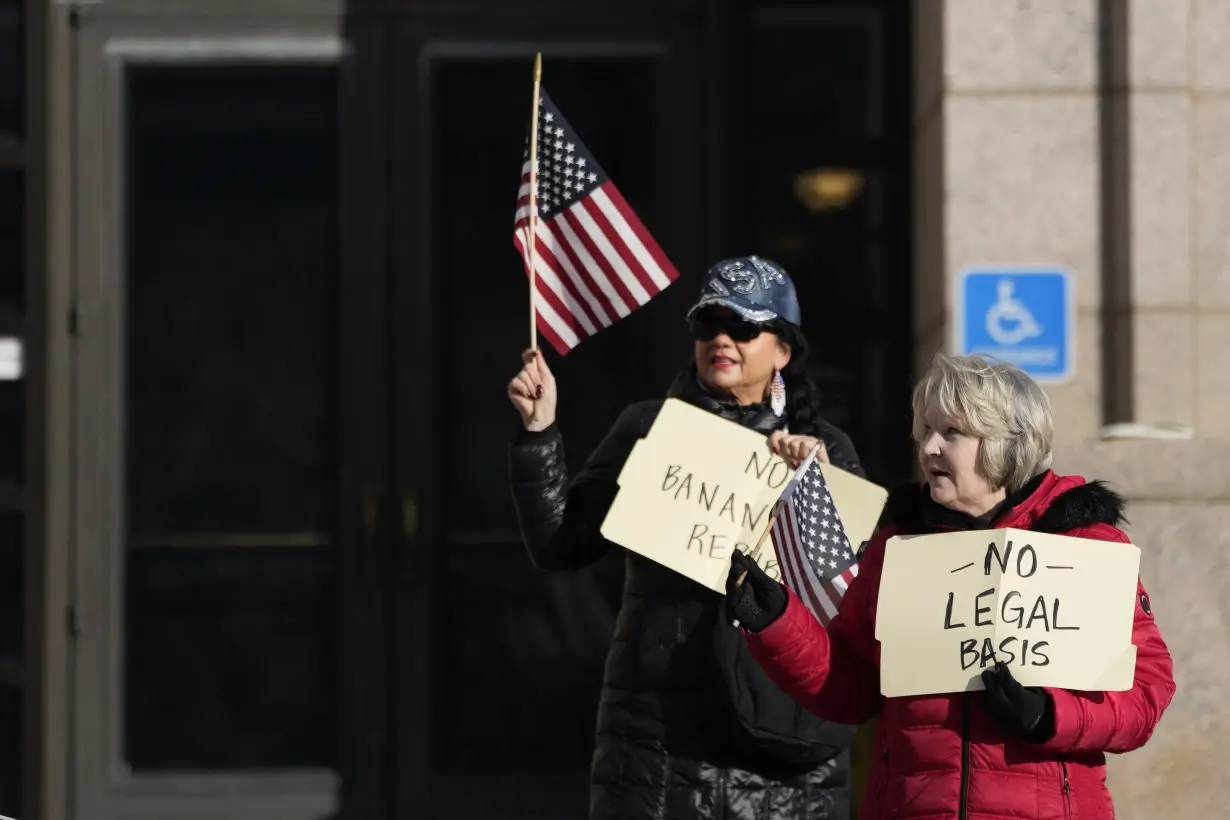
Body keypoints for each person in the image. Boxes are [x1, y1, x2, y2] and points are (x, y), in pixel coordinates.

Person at [725, 353, 1176, 820]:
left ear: (1006, 443)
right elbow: (853, 685)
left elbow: (1145, 694)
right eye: (927, 432)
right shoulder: (899, 545)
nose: (929, 448)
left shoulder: (1085, 543)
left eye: (952, 433)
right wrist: (778, 622)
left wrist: (1047, 715)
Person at [507, 255, 864, 820]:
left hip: (781, 747)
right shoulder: (650, 428)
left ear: (783, 351)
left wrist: (815, 483)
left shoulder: (826, 449)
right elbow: (561, 544)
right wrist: (539, 432)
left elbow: (850, 594)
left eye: (744, 327)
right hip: (658, 743)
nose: (721, 338)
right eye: (708, 324)